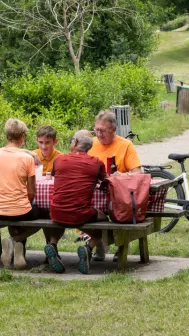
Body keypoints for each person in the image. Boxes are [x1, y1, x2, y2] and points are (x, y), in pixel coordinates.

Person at [44, 130, 108, 274]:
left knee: (61, 216)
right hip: (81, 213)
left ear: (76, 143)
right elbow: (106, 181)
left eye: (72, 140)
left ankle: (53, 244)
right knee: (104, 219)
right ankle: (88, 247)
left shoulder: (59, 160)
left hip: (57, 212)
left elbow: (55, 175)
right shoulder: (96, 162)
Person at [0, 118, 46, 270]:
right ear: (22, 138)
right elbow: (32, 192)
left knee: (14, 215)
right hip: (20, 210)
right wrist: (25, 202)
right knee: (42, 214)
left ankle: (16, 252)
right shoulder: (27, 158)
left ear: (7, 136)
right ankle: (16, 241)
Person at [87, 110, 143, 262]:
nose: (98, 134)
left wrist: (122, 176)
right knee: (84, 212)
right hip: (96, 194)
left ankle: (121, 247)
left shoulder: (125, 145)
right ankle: (98, 243)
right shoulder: (90, 144)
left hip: (119, 195)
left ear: (114, 129)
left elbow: (138, 173)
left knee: (121, 214)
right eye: (96, 130)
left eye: (102, 131)